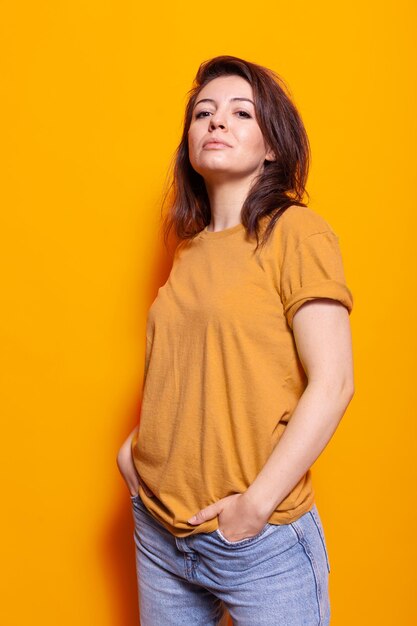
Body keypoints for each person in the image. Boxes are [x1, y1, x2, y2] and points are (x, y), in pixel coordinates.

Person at [116, 55, 354, 625]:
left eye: (240, 112)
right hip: (161, 532)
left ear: (273, 146)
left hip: (257, 541)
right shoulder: (189, 250)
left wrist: (253, 508)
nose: (217, 122)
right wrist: (133, 457)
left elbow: (335, 381)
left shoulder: (296, 232)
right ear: (189, 143)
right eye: (204, 113)